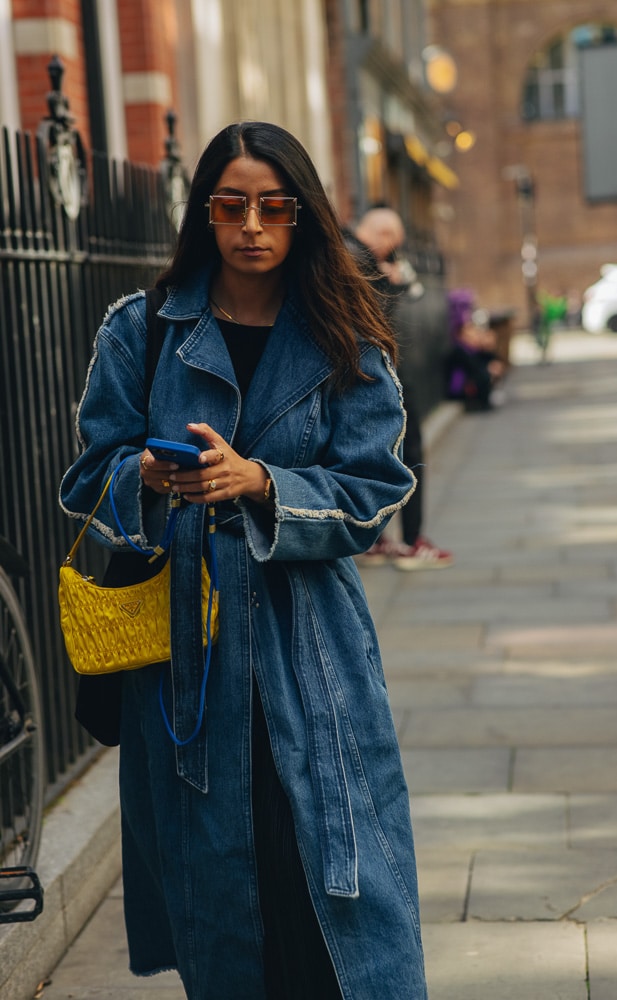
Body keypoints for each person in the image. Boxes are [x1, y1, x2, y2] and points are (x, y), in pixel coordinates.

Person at [59, 122, 428, 1000]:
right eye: (231, 204)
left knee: (334, 894)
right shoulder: (141, 329)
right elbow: (87, 474)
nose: (252, 224)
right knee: (222, 896)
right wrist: (143, 474)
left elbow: (374, 491)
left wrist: (262, 481)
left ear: (302, 215)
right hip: (188, 662)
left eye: (273, 205)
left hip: (313, 657)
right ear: (205, 214)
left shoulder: (344, 334)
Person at [344, 207, 453, 570]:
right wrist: (391, 281)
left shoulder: (342, 250)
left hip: (358, 373)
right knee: (409, 448)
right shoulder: (359, 258)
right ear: (385, 234)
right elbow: (374, 311)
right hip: (377, 371)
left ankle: (372, 539)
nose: (393, 250)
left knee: (369, 456)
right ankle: (410, 541)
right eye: (393, 242)